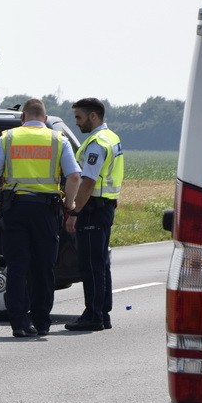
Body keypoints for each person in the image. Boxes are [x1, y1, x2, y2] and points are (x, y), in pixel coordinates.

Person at [0, 98, 81, 337]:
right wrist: (69, 205)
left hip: (15, 208)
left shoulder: (8, 138)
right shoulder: (58, 139)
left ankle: (19, 322)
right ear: (45, 119)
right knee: (44, 267)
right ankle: (42, 321)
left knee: (17, 266)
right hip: (47, 211)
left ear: (22, 117)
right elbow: (75, 176)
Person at [63, 97, 124, 332]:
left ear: (93, 116)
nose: (76, 122)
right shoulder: (112, 137)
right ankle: (103, 313)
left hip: (92, 208)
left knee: (91, 264)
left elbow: (88, 181)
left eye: (78, 117)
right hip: (105, 206)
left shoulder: (97, 143)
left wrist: (75, 211)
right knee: (100, 263)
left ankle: (93, 315)